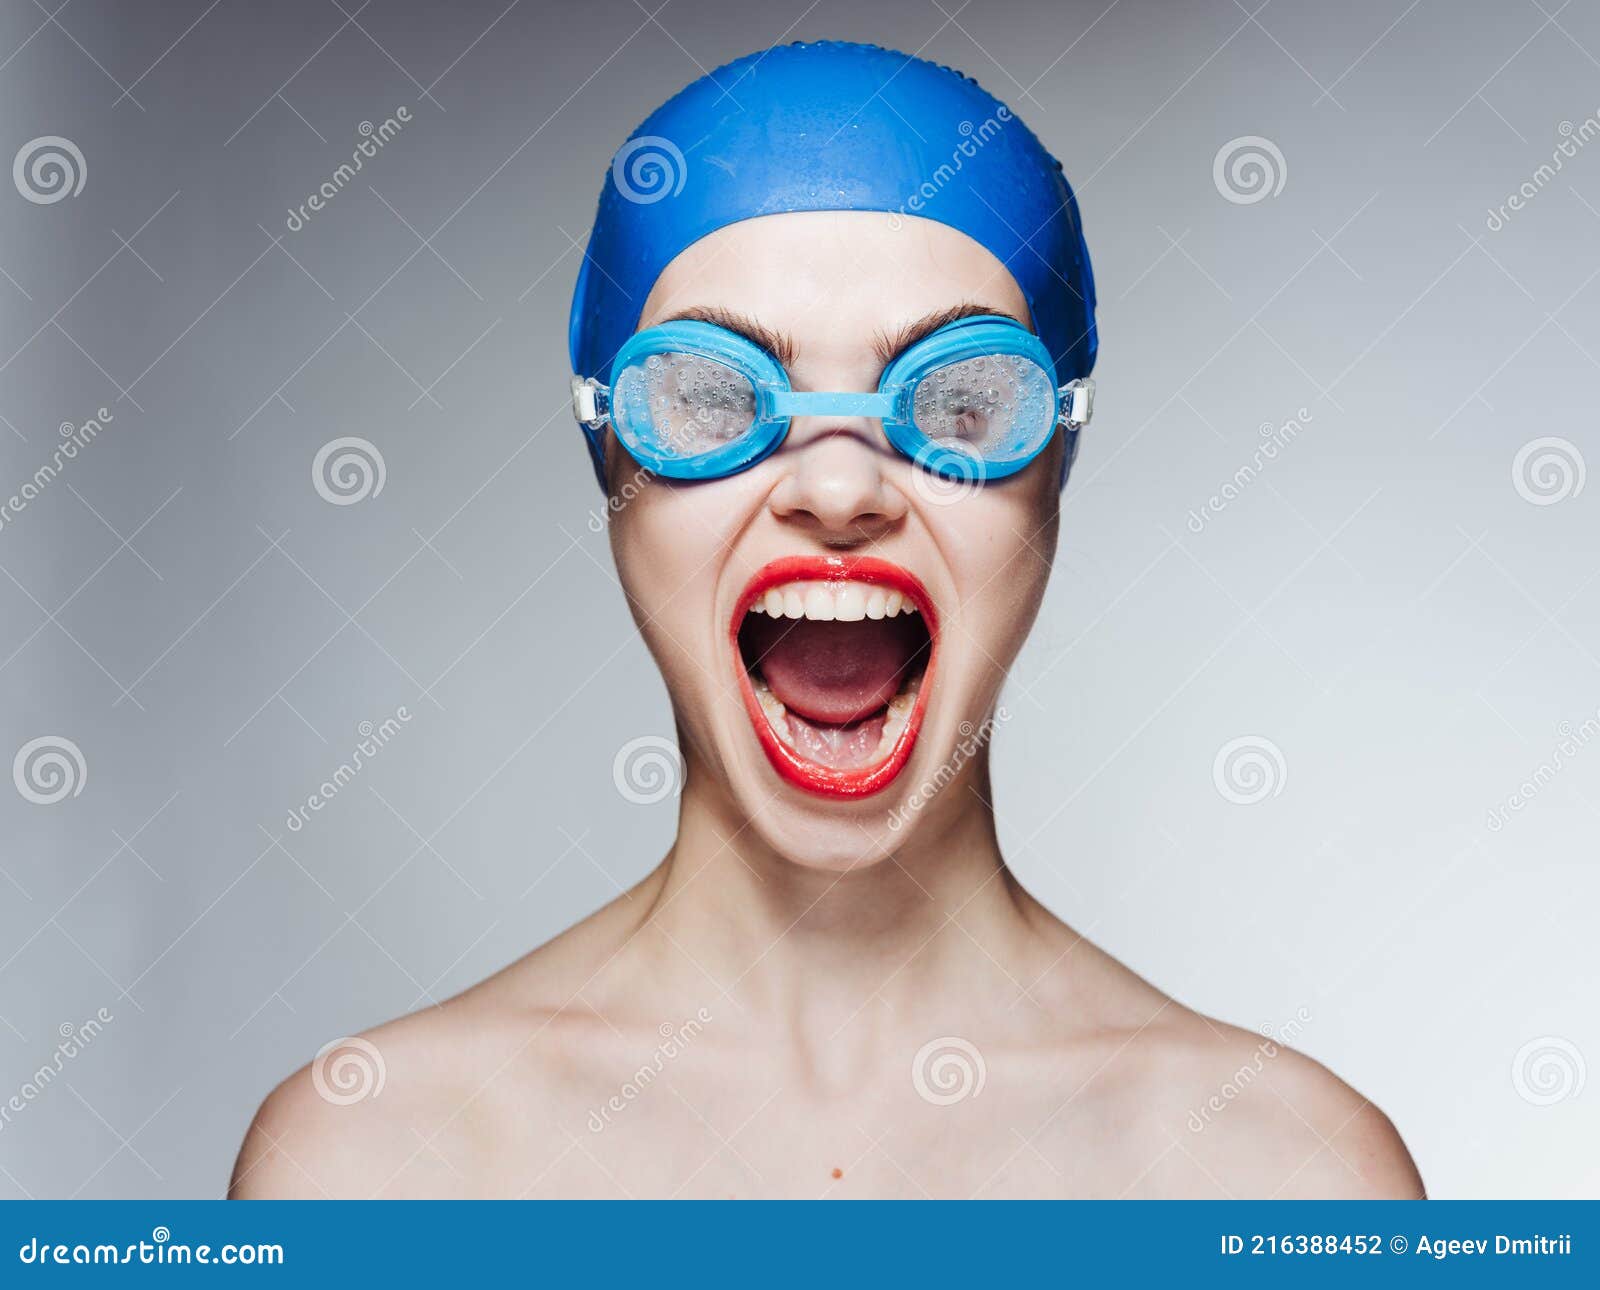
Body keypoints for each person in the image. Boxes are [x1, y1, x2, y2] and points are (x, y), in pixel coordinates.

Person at [231, 41, 1423, 1200]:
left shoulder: (1283, 1179)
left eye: (958, 399)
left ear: (1057, 458)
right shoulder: (378, 1167)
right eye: (712, 397)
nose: (841, 490)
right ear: (609, 459)